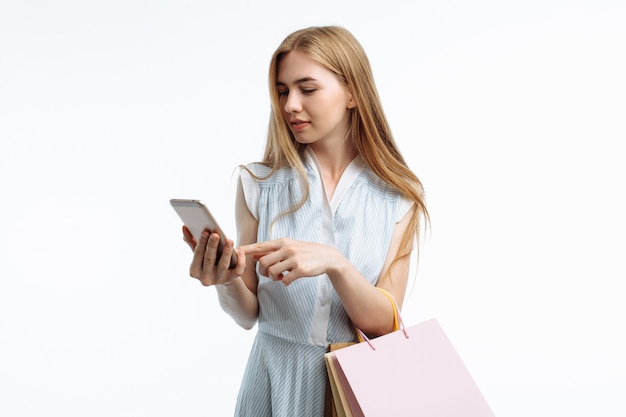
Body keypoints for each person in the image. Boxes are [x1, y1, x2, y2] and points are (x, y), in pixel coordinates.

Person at [182, 25, 429, 417]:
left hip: (352, 389)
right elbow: (248, 315)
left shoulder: (397, 196)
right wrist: (226, 280)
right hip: (271, 380)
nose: (290, 105)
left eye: (307, 89)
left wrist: (335, 263)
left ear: (352, 92)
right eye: (282, 91)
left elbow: (385, 324)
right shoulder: (258, 183)